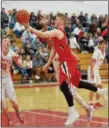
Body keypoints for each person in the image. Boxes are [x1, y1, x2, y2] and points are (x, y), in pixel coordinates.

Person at [23, 13, 108, 127]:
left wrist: (29, 27)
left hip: (67, 61)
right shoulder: (59, 34)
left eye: (57, 18)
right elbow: (54, 48)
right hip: (69, 61)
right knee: (77, 83)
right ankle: (100, 91)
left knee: (64, 86)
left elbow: (42, 34)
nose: (55, 19)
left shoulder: (58, 31)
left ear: (61, 22)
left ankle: (72, 111)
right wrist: (48, 63)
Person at [1, 37, 25, 126]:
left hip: (7, 78)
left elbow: (19, 61)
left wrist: (19, 62)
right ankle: (8, 118)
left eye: (8, 41)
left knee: (13, 101)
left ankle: (18, 114)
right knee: (1, 101)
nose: (7, 42)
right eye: (5, 41)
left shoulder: (12, 53)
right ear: (1, 43)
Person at [88, 40, 107, 109]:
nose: (103, 45)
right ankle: (90, 104)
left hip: (96, 70)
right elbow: (91, 62)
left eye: (104, 44)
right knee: (93, 87)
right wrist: (92, 72)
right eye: (102, 44)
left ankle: (97, 102)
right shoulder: (97, 52)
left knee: (99, 87)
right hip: (92, 69)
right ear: (99, 45)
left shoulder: (104, 53)